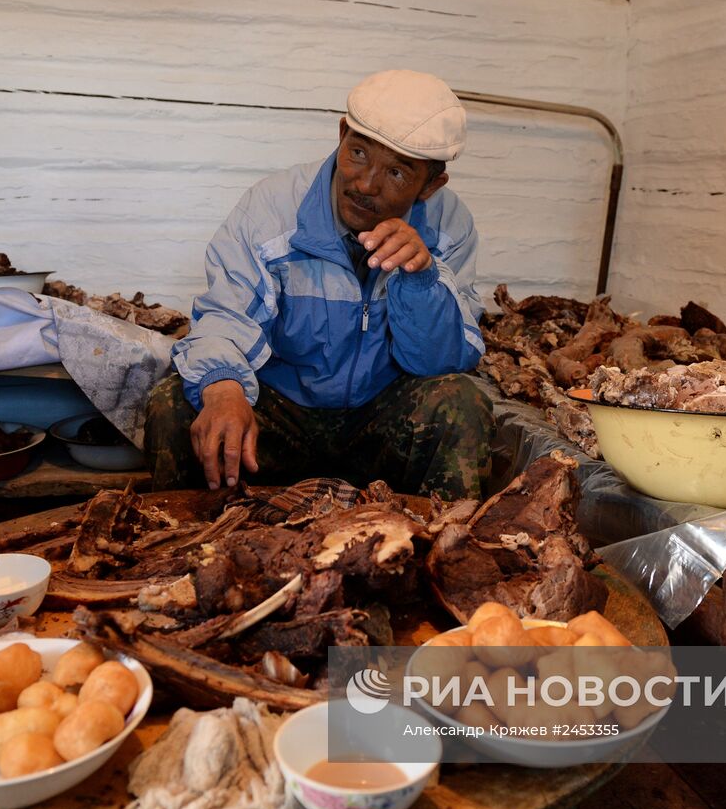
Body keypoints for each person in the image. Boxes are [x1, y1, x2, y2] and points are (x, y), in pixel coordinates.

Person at [144, 69, 494, 500]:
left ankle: (445, 553)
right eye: (359, 153)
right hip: (280, 420)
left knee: (462, 403)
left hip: (378, 425)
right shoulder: (272, 209)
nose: (365, 184)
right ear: (343, 133)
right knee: (176, 404)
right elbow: (225, 316)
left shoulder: (449, 227)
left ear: (431, 185)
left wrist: (420, 278)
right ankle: (186, 552)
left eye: (399, 174)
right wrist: (223, 388)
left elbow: (441, 363)